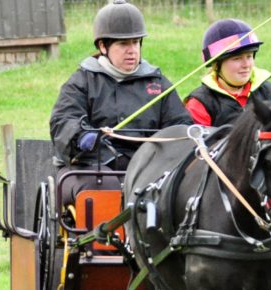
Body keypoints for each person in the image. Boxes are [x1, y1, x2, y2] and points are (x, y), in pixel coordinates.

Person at [50, 0, 191, 202]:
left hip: (146, 167)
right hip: (90, 168)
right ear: (102, 46)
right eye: (123, 44)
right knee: (106, 188)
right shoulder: (82, 81)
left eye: (135, 42)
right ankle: (105, 234)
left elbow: (180, 125)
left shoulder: (158, 83)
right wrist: (81, 136)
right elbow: (63, 121)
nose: (132, 50)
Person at [185, 19, 271, 127]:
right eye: (237, 58)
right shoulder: (200, 103)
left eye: (249, 56)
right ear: (216, 65)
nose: (246, 65)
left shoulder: (269, 93)